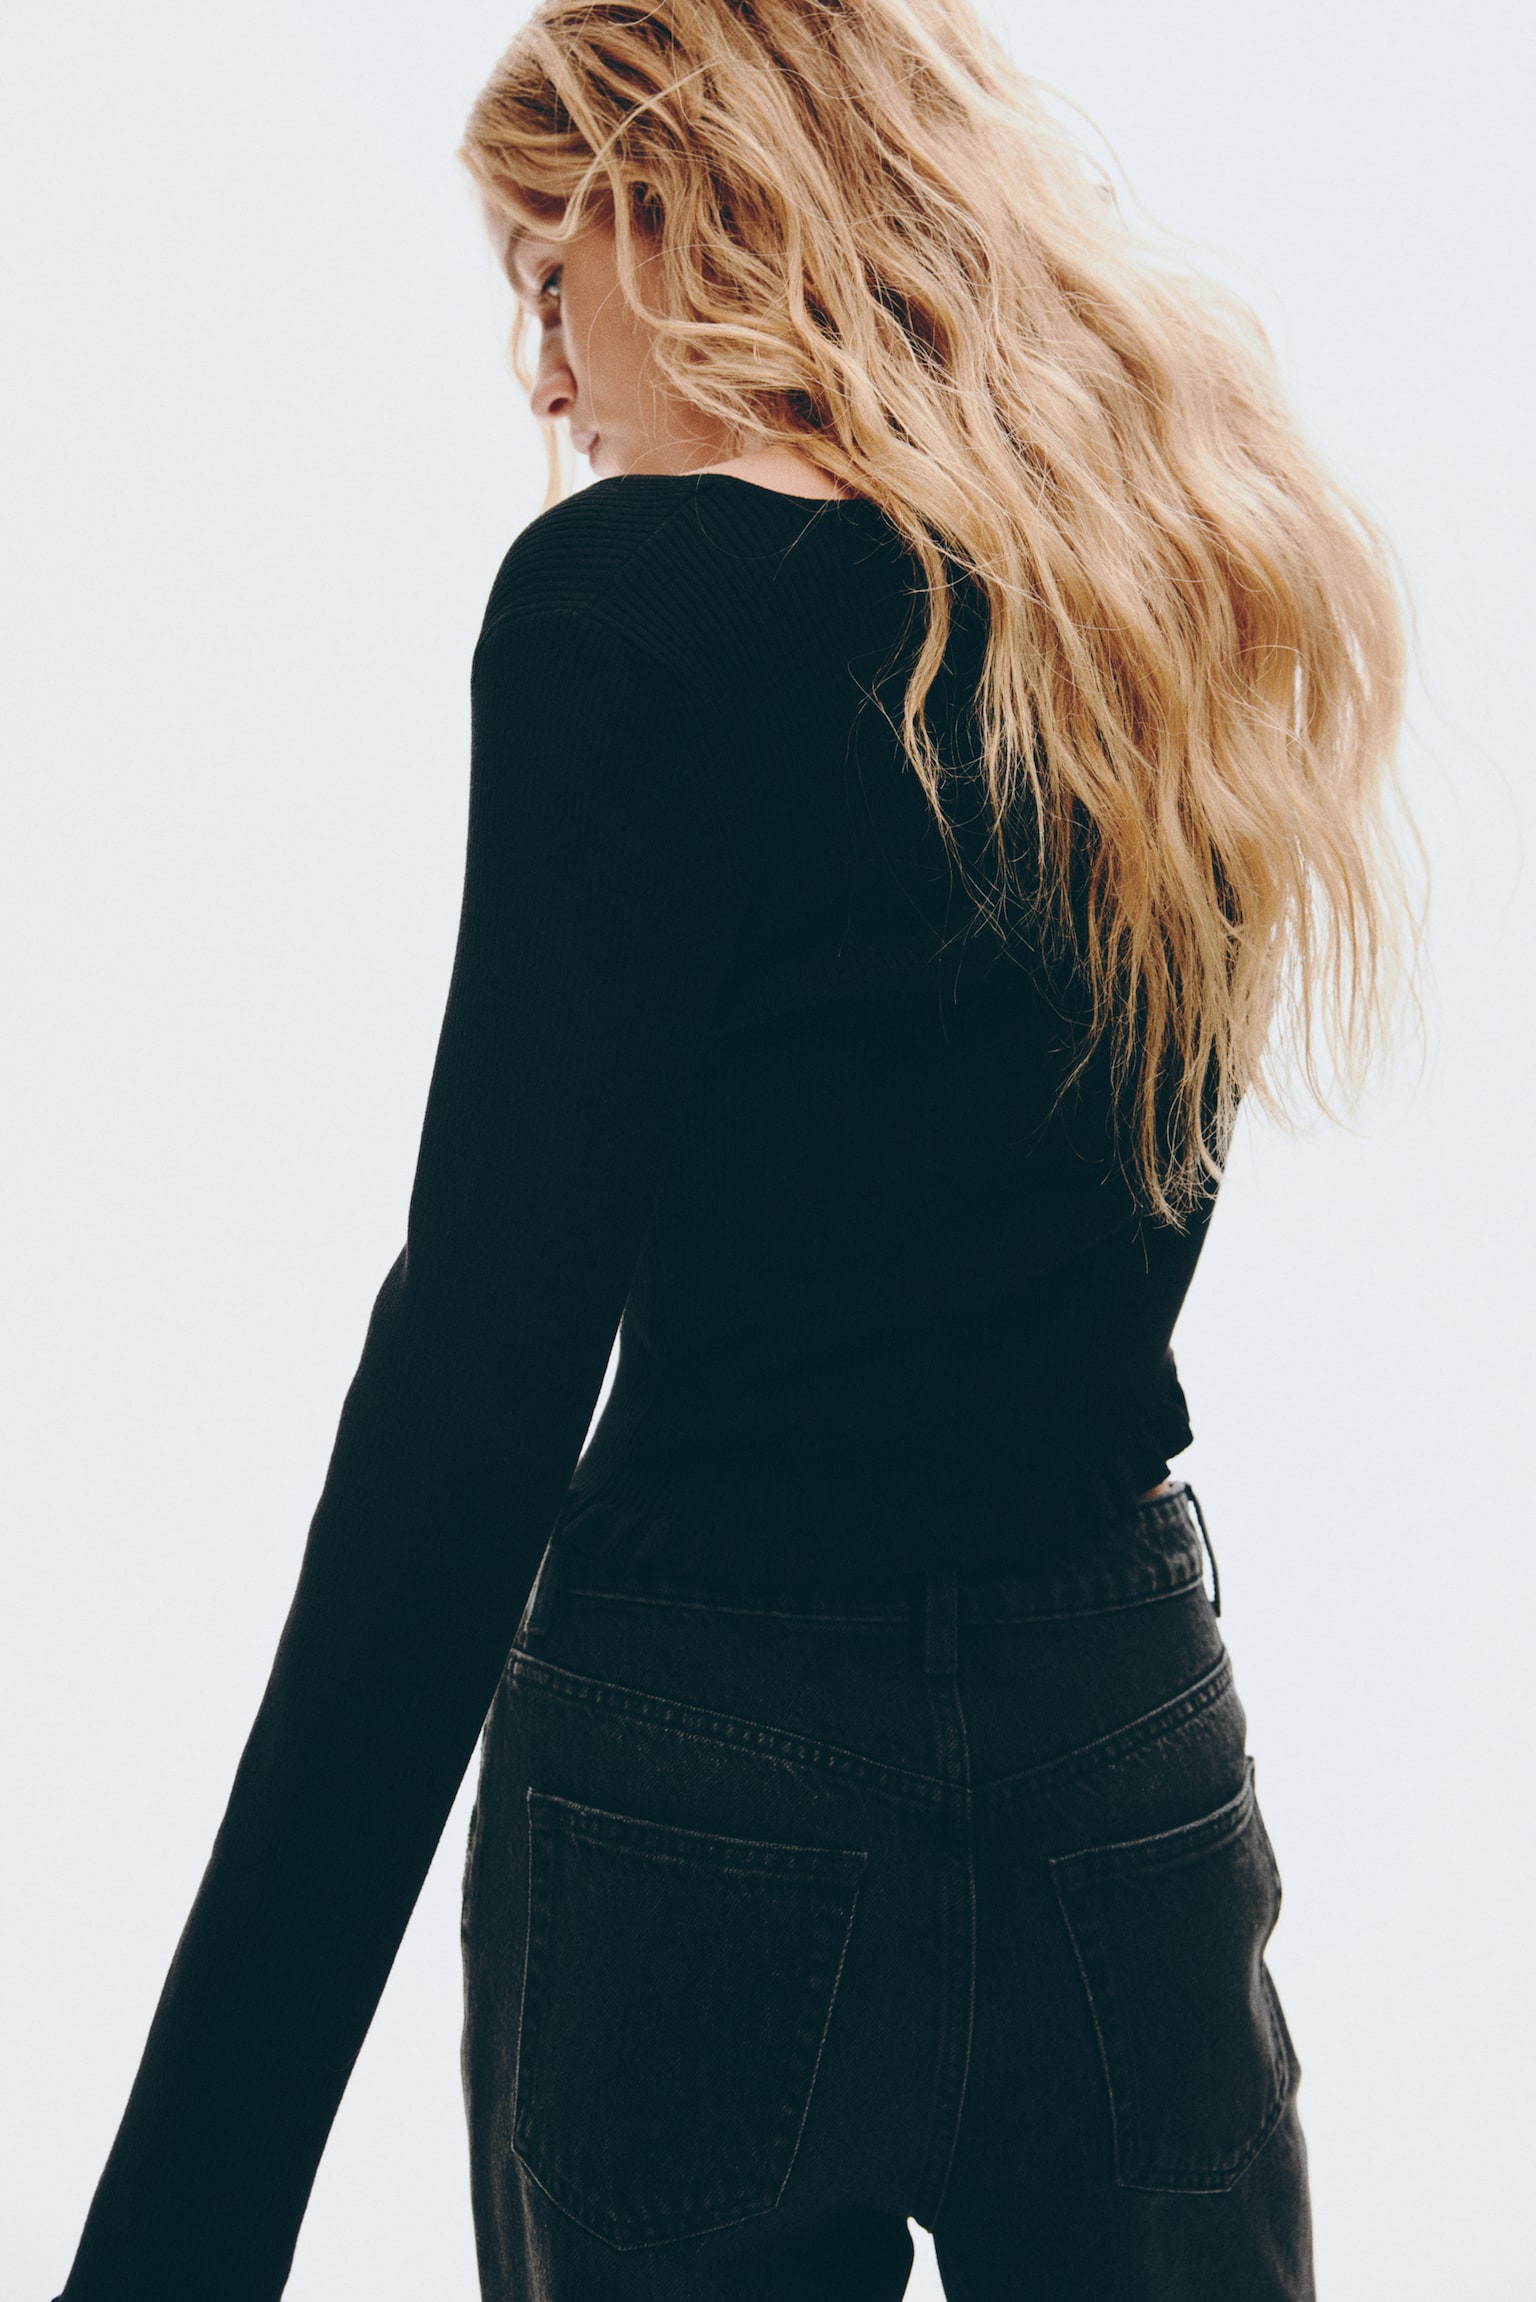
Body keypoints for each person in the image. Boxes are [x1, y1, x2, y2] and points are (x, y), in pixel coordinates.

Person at [51, 0, 1418, 2295]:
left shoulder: (633, 607)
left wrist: (179, 2226)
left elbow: (477, 1389)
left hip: (707, 1763)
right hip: (1118, 1736)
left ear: (689, 201)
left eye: (546, 273)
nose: (544, 373)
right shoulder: (1163, 576)